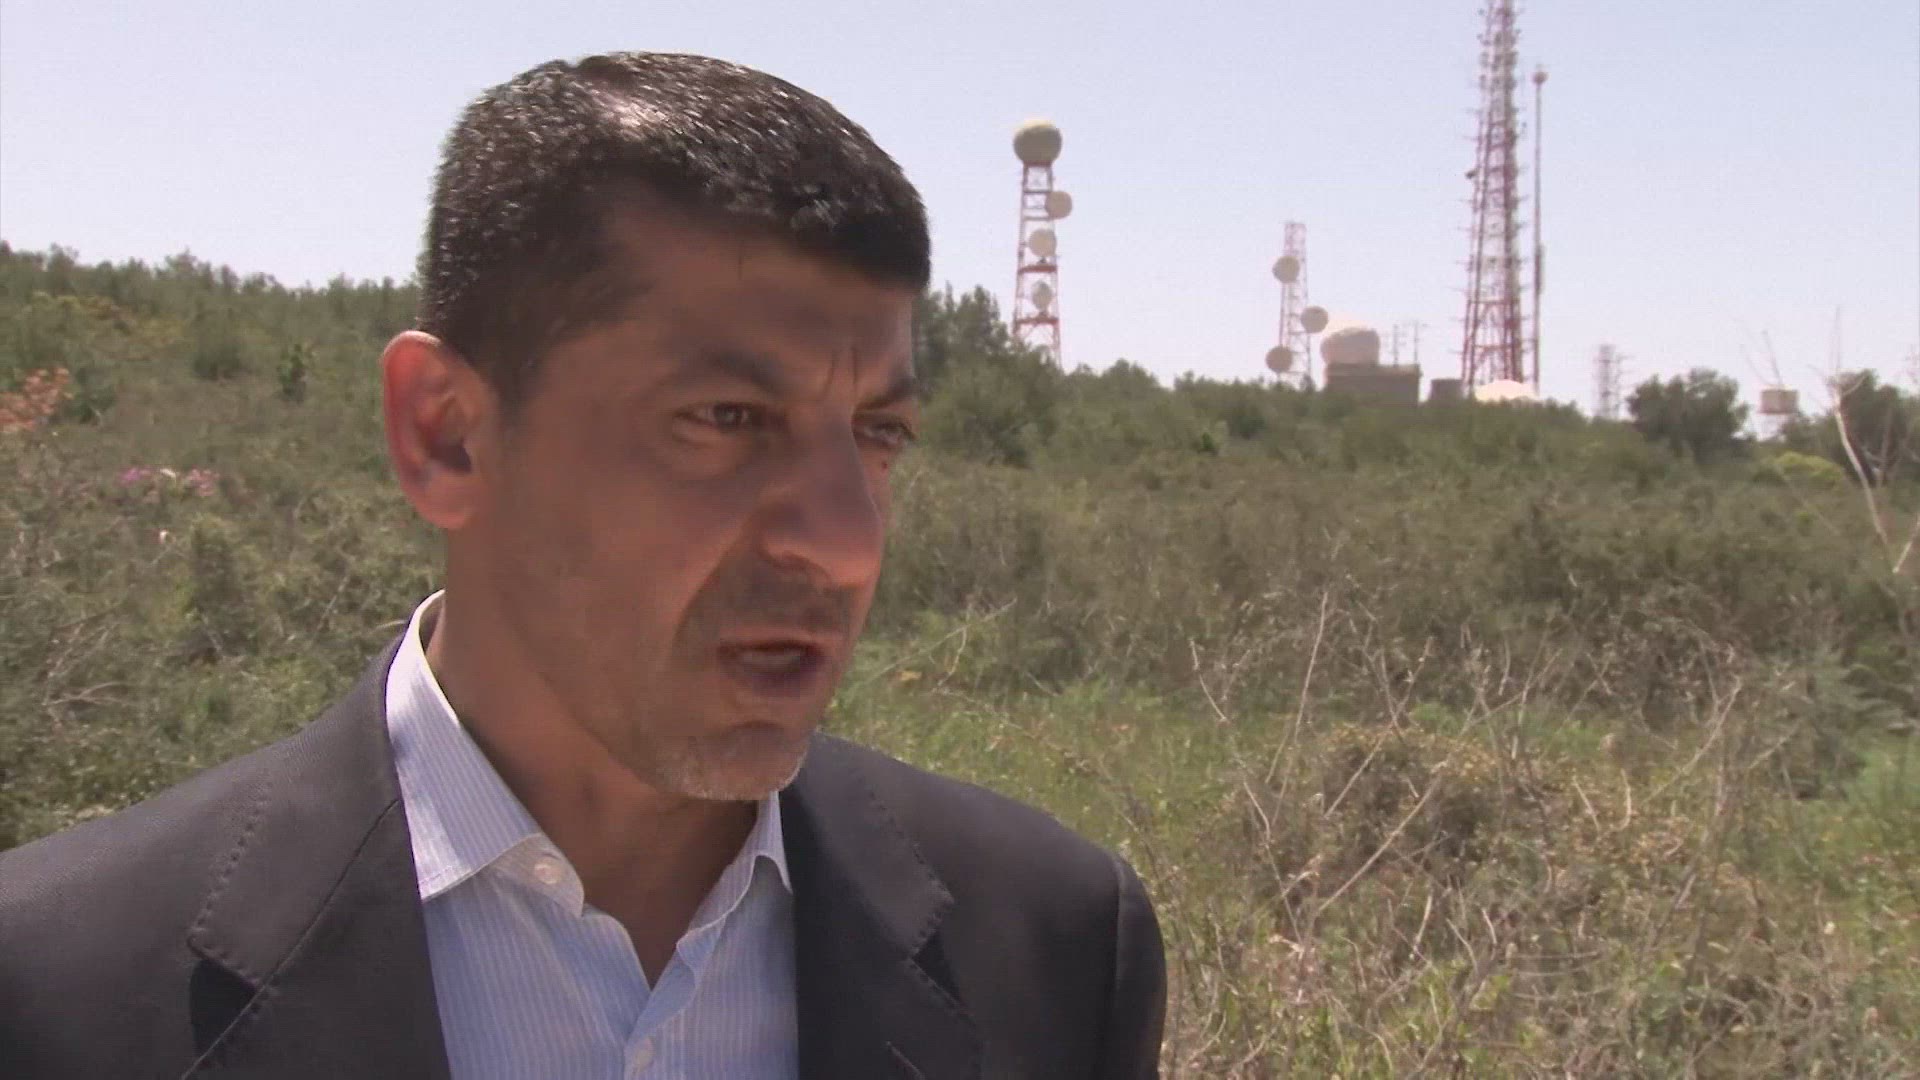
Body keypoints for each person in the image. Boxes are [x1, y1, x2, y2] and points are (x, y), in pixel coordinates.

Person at [0, 52, 1166, 1079]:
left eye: (878, 433)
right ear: (447, 435)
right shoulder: (54, 992)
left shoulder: (1055, 949)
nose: (846, 540)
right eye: (726, 418)